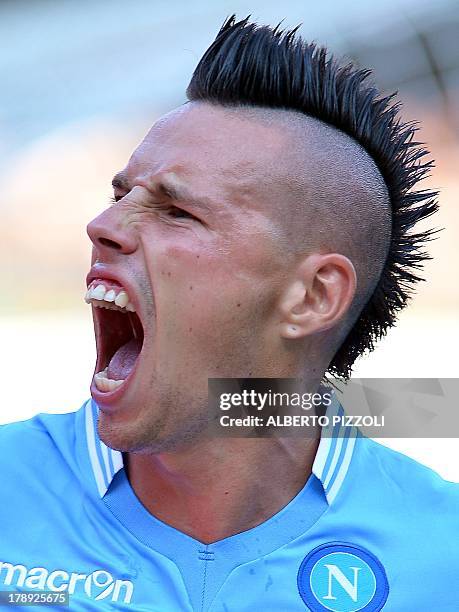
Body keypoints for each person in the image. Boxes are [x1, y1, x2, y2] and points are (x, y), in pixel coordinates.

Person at [1, 15, 457, 611]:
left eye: (176, 213)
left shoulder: (441, 558)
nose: (102, 227)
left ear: (312, 297)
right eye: (121, 196)